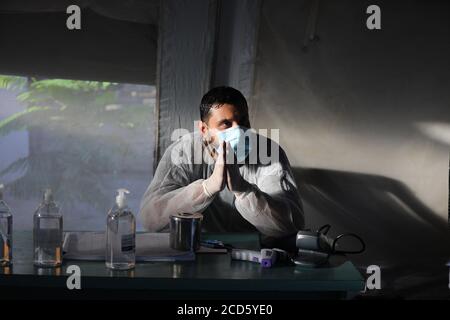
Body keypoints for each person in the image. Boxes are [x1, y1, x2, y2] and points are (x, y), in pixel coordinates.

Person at [139, 86, 304, 240]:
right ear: (204, 130)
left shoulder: (268, 152)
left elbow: (291, 226)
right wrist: (207, 188)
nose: (239, 131)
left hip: (253, 253)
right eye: (226, 124)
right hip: (198, 249)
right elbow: (150, 220)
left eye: (243, 122)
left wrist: (243, 190)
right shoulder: (184, 151)